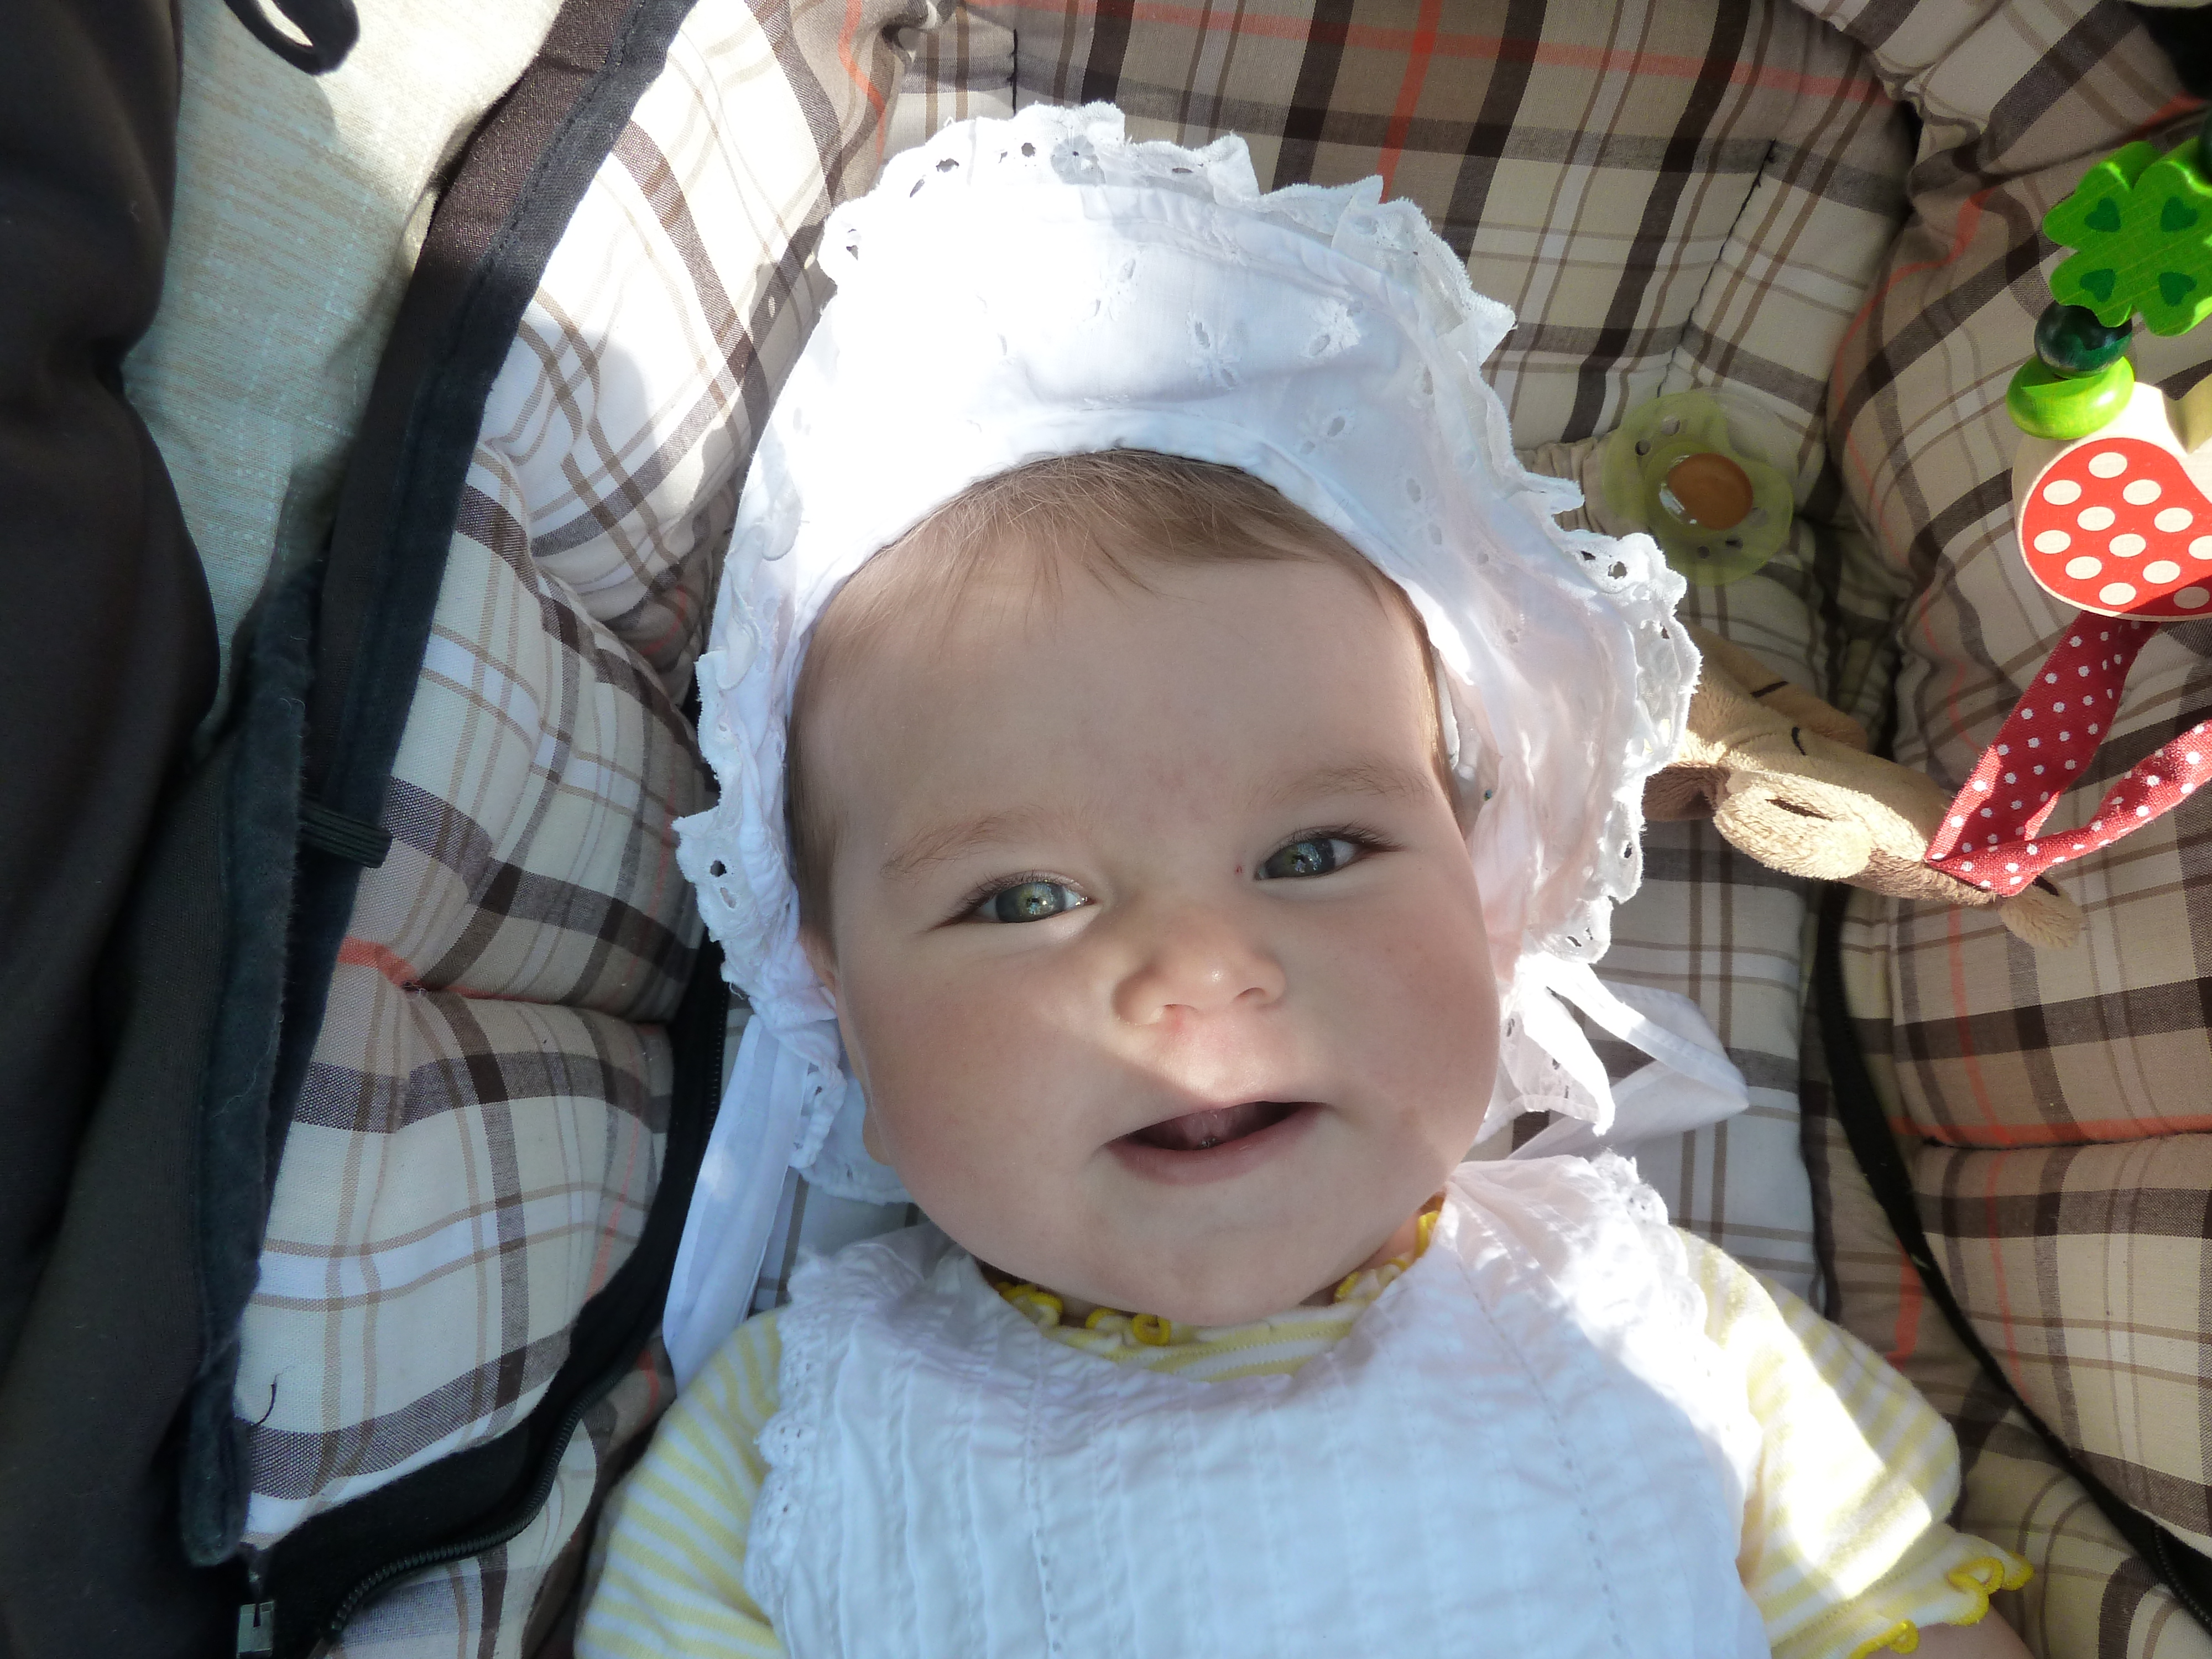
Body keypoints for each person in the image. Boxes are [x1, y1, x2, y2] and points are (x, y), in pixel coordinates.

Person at [578, 105, 2035, 1659]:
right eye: (1022, 898)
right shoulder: (789, 1440)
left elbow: (1903, 1622)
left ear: (1486, 900)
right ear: (836, 1002)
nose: (1203, 968)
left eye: (1315, 854)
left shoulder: (1664, 1328)